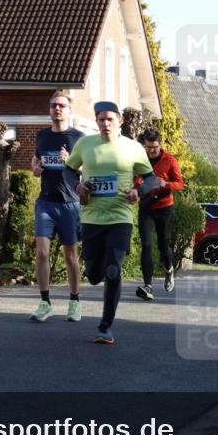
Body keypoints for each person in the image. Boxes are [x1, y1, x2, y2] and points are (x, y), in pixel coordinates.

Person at [66, 102, 154, 344]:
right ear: (96, 121)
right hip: (91, 218)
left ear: (120, 121)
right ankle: (97, 273)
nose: (105, 124)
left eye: (110, 119)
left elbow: (150, 178)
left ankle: (106, 327)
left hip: (120, 217)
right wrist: (78, 185)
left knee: (114, 269)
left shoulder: (133, 147)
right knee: (94, 275)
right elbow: (69, 170)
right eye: (101, 120)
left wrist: (138, 191)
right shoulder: (85, 144)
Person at [29, 92, 84, 323]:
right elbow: (35, 160)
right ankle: (45, 302)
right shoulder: (42, 136)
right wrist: (35, 169)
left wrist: (70, 161)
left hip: (69, 204)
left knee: (70, 255)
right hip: (46, 202)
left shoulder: (79, 138)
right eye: (53, 105)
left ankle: (74, 301)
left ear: (70, 110)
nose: (57, 109)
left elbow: (87, 170)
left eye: (62, 105)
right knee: (41, 252)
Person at [134, 128, 185, 300]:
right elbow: (135, 180)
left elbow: (180, 184)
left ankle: (169, 269)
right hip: (146, 208)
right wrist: (135, 189)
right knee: (146, 245)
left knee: (164, 245)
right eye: (148, 147)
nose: (151, 151)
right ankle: (147, 286)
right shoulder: (140, 160)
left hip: (165, 208)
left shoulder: (169, 160)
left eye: (154, 147)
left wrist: (166, 184)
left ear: (160, 144)